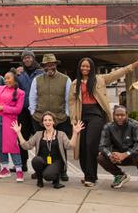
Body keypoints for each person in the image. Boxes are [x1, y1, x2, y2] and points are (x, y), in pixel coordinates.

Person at [69, 55, 138, 187]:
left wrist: (133, 65)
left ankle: (91, 178)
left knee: (90, 145)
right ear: (79, 67)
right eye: (83, 66)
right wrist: (73, 119)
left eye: (88, 66)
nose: (85, 68)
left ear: (92, 67)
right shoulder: (75, 83)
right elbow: (71, 102)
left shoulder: (100, 79)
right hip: (81, 115)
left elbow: (117, 73)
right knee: (82, 147)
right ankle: (88, 175)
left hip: (96, 115)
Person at [29, 53, 72, 181]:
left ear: (55, 65)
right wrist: (33, 113)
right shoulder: (37, 80)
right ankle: (40, 170)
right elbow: (32, 98)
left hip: (60, 118)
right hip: (40, 118)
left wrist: (67, 115)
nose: (49, 67)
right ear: (43, 66)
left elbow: (68, 99)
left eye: (51, 64)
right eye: (46, 65)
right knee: (41, 146)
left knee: (61, 146)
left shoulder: (66, 79)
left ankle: (63, 170)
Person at [12, 112, 84, 189]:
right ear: (42, 123)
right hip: (43, 161)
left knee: (48, 176)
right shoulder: (38, 134)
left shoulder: (61, 134)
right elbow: (26, 146)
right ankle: (39, 179)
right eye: (45, 120)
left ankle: (55, 178)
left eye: (50, 120)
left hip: (57, 162)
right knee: (36, 160)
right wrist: (18, 133)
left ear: (53, 122)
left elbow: (70, 146)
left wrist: (75, 133)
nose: (47, 122)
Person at [97, 105, 138, 193]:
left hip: (133, 155)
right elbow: (102, 146)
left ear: (127, 115)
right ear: (113, 115)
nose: (120, 117)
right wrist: (110, 155)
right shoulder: (108, 127)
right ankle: (119, 175)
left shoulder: (135, 125)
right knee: (100, 157)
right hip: (117, 156)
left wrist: (125, 154)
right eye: (117, 115)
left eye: (122, 115)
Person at [0, 71, 25, 182]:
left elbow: (18, 110)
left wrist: (3, 108)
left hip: (9, 122)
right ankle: (5, 169)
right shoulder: (0, 88)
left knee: (12, 145)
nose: (6, 80)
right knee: (0, 145)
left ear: (14, 79)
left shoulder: (20, 92)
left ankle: (19, 170)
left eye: (9, 78)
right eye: (5, 78)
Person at [16, 50, 43, 173]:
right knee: (22, 137)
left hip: (37, 111)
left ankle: (40, 165)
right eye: (25, 58)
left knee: (39, 138)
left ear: (33, 58)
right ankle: (23, 164)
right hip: (23, 111)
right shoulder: (20, 75)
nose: (27, 60)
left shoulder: (41, 73)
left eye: (29, 57)